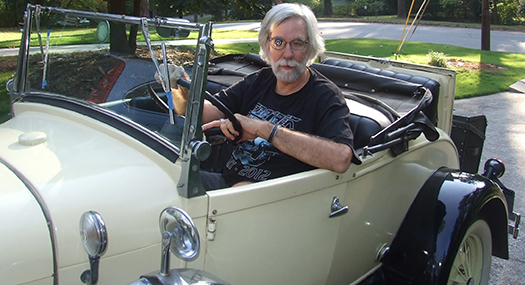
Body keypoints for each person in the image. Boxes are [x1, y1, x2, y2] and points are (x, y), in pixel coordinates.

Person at [159, 3, 361, 190]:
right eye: (279, 42)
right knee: (165, 178)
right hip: (226, 185)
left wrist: (265, 130)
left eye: (297, 43)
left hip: (271, 203)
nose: (287, 54)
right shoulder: (260, 80)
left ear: (310, 48)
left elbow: (341, 158)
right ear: (267, 45)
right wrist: (182, 88)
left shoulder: (326, 96)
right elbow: (204, 114)